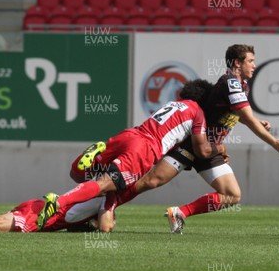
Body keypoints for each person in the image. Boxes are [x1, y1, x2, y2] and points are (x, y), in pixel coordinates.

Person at [131, 44, 279, 234]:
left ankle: (180, 213)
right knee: (151, 181)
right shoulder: (230, 83)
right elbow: (247, 118)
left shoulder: (242, 86)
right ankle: (108, 200)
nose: (254, 65)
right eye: (250, 61)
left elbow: (238, 114)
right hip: (194, 143)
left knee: (232, 195)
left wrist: (257, 121)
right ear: (237, 63)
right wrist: (274, 142)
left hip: (211, 148)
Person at [35, 79, 225, 229]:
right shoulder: (198, 112)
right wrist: (220, 149)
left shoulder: (175, 104)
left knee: (91, 182)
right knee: (103, 185)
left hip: (130, 134)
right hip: (145, 148)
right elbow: (202, 150)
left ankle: (86, 169)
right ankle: (59, 201)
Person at [0, 177, 116, 233]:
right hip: (41, 216)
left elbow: (77, 224)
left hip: (38, 208)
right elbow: (106, 226)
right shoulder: (109, 197)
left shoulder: (97, 189)